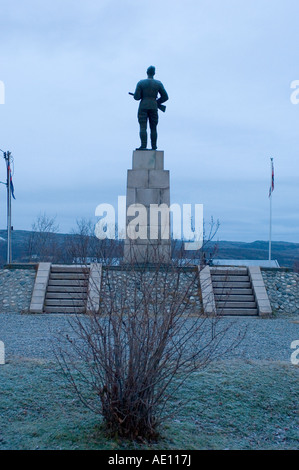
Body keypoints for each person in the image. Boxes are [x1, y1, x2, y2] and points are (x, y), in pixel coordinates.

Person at [134, 66, 168, 150]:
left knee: (143, 127)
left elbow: (136, 97)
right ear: (154, 73)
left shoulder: (141, 83)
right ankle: (154, 146)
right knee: (153, 128)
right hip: (153, 106)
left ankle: (143, 145)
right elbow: (165, 97)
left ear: (147, 72)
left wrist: (141, 95)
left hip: (143, 106)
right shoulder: (158, 83)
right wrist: (157, 102)